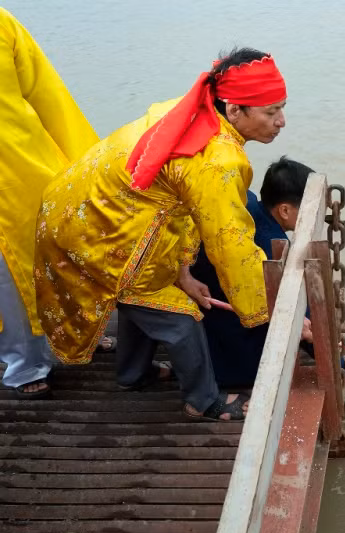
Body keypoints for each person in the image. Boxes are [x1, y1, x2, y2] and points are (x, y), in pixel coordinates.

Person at [34, 48, 287, 420]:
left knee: (143, 300)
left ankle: (133, 374)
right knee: (180, 317)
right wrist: (269, 310)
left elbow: (183, 208)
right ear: (234, 110)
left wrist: (184, 271)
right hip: (100, 232)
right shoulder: (218, 161)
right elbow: (231, 246)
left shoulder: (190, 109)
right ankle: (203, 401)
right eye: (270, 111)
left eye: (282, 108)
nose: (281, 121)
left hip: (75, 211)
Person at [189, 157, 345, 412]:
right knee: (295, 326)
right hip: (230, 345)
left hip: (209, 314)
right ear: (285, 210)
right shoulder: (270, 251)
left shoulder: (248, 201)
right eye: (308, 210)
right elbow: (301, 325)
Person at [0, 8, 99, 398]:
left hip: (22, 170)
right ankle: (21, 364)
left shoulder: (4, 25)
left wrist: (86, 163)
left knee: (37, 269)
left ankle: (53, 348)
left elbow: (49, 96)